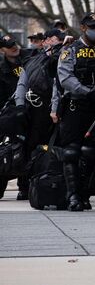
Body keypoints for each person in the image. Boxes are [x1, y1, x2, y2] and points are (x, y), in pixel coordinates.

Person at [54, 13, 95, 211]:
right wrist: (86, 91)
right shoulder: (70, 51)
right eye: (92, 27)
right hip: (76, 106)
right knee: (71, 152)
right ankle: (73, 196)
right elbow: (65, 78)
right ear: (83, 28)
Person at [12, 29, 66, 200]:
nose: (51, 42)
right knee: (29, 147)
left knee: (54, 149)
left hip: (56, 113)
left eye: (55, 39)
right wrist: (20, 105)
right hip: (34, 113)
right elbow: (22, 84)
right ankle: (25, 185)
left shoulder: (65, 58)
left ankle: (52, 180)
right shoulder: (32, 61)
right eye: (49, 39)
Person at [0, 36, 25, 199]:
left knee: (27, 147)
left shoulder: (28, 58)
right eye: (9, 46)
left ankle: (25, 186)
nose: (14, 48)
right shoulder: (1, 68)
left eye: (14, 44)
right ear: (2, 50)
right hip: (7, 114)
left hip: (27, 111)